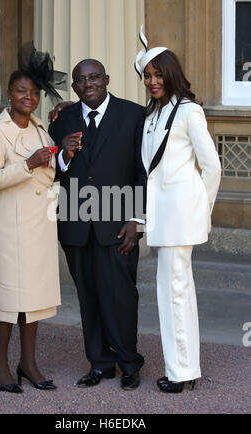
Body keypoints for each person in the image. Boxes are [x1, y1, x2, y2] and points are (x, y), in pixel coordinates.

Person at [49, 59, 145, 390]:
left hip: (118, 226)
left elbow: (141, 170)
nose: (88, 83)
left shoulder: (134, 115)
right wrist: (64, 155)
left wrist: (136, 218)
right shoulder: (63, 119)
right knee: (88, 297)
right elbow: (54, 171)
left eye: (94, 77)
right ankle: (100, 363)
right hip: (76, 226)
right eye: (80, 80)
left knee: (121, 296)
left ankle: (129, 363)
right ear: (73, 86)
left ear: (106, 79)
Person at [134, 27, 221, 393]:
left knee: (175, 291)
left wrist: (201, 210)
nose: (153, 81)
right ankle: (185, 368)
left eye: (158, 74)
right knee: (173, 291)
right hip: (162, 218)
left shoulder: (189, 111)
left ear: (171, 73)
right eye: (147, 76)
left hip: (181, 217)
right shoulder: (151, 115)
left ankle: (182, 372)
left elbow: (212, 167)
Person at [0, 44, 65, 393]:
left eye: (33, 92)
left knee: (35, 298)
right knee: (8, 298)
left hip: (39, 225)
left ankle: (28, 363)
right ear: (9, 94)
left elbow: (49, 173)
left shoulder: (42, 129)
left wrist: (62, 154)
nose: (28, 97)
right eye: (20, 91)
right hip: (10, 229)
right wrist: (27, 164)